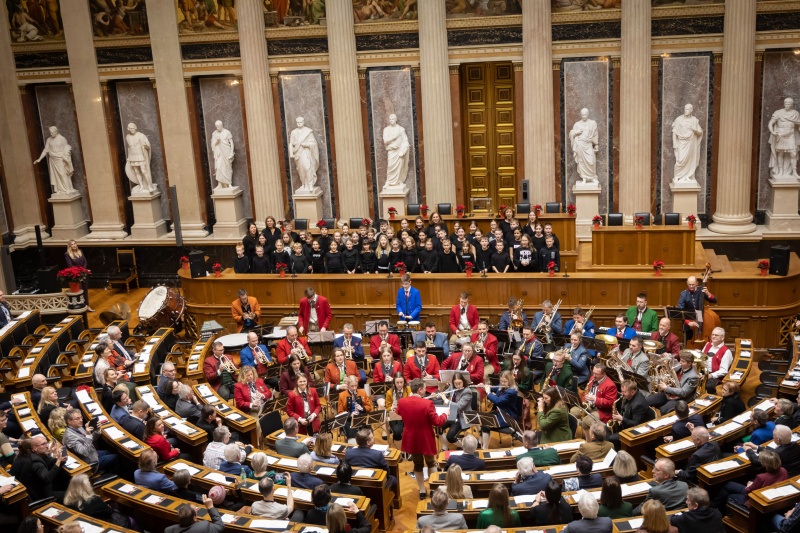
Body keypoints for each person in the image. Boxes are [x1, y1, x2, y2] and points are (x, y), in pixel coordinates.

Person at [397, 378, 447, 497]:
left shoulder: (402, 401)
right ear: (419, 390)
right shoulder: (427, 403)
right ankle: (433, 489)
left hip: (411, 438)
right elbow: (438, 422)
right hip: (425, 439)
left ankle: (422, 490)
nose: (426, 390)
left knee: (417, 464)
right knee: (431, 463)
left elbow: (399, 412)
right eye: (424, 388)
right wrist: (445, 414)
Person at [714, 448, 786, 509]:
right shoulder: (783, 470)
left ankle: (715, 508)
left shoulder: (761, 477)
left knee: (729, 493)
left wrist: (749, 486)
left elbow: (747, 492)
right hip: (771, 495)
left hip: (755, 500)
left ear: (764, 464)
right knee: (729, 485)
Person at [10, 436, 66, 502]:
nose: (47, 446)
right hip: (42, 495)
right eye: (43, 444)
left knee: (65, 481)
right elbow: (48, 478)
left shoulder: (38, 455)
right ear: (35, 448)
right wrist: (59, 460)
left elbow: (50, 462)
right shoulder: (35, 461)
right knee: (72, 495)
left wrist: (61, 461)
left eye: (47, 443)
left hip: (42, 487)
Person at [63, 409, 118, 474]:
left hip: (92, 453)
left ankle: (109, 473)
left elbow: (92, 440)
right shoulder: (69, 437)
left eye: (81, 417)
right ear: (69, 421)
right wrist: (88, 434)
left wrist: (97, 430)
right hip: (89, 462)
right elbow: (84, 452)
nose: (81, 420)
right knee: (115, 457)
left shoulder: (78, 427)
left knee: (108, 451)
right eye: (77, 418)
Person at [570, 364, 618, 434]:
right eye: (593, 373)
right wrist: (584, 402)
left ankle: (588, 441)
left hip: (600, 410)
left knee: (586, 421)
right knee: (572, 412)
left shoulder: (610, 385)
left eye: (597, 374)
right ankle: (577, 434)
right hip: (588, 405)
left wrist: (595, 399)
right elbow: (585, 392)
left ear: (603, 374)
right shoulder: (592, 378)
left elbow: (611, 403)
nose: (594, 375)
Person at [482, 371, 519, 450]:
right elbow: (495, 388)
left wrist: (488, 392)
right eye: (501, 381)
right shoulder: (503, 386)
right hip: (499, 412)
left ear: (510, 381)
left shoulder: (511, 392)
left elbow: (498, 401)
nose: (502, 383)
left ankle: (509, 430)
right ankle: (483, 446)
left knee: (486, 425)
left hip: (507, 416)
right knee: (483, 420)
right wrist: (484, 386)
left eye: (505, 381)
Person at [608, 380, 650, 449]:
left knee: (612, 438)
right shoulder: (628, 396)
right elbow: (625, 409)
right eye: (621, 391)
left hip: (636, 430)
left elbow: (636, 424)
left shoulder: (638, 404)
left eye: (624, 392)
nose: (621, 394)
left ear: (633, 392)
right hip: (626, 422)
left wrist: (621, 419)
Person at [438, 372, 474, 450]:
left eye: (459, 383)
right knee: (438, 426)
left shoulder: (467, 392)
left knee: (450, 437)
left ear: (463, 382)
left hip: (462, 417)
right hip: (452, 414)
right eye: (456, 384)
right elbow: (445, 394)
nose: (457, 386)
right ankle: (444, 448)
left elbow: (459, 407)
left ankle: (462, 446)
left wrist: (446, 401)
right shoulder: (452, 386)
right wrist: (437, 396)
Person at [677, 276, 717, 341]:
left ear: (697, 283)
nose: (691, 286)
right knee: (689, 341)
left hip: (702, 319)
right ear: (687, 283)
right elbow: (680, 310)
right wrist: (688, 322)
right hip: (689, 323)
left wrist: (708, 293)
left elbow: (714, 301)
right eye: (689, 284)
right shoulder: (683, 294)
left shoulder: (701, 290)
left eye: (693, 284)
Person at [337, 376, 373, 440]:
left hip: (362, 417)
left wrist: (362, 408)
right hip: (348, 420)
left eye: (356, 386)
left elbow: (369, 407)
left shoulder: (363, 392)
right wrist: (350, 415)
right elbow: (340, 412)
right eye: (352, 386)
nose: (354, 388)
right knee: (352, 433)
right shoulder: (342, 395)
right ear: (347, 385)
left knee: (368, 433)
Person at [65, 240, 94, 312]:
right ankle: (82, 307)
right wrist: (79, 274)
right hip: (76, 275)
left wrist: (83, 272)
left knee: (85, 290)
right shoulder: (67, 254)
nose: (74, 245)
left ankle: (87, 306)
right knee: (80, 290)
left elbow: (85, 261)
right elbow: (70, 265)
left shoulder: (80, 251)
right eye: (72, 244)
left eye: (75, 243)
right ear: (70, 246)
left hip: (84, 273)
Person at [701, 327, 732, 392]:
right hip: (704, 371)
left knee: (709, 386)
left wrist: (710, 376)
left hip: (715, 375)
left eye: (716, 335)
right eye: (713, 334)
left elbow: (724, 370)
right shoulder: (707, 344)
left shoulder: (726, 351)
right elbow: (702, 358)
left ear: (722, 337)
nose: (713, 337)